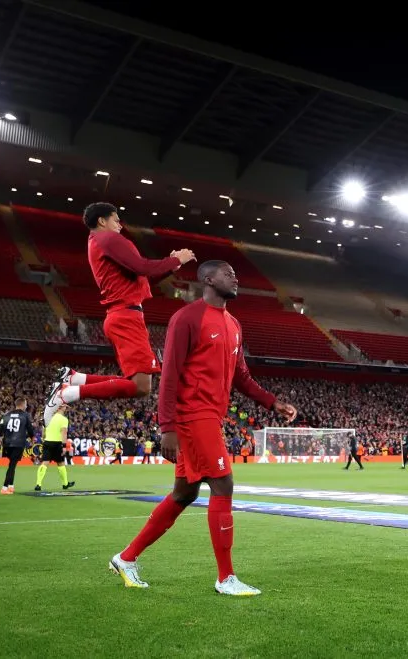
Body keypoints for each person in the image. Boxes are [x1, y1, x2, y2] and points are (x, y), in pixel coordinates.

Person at [108, 260, 297, 595]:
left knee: (185, 493)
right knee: (223, 483)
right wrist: (167, 426)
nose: (234, 277)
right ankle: (226, 578)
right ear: (208, 279)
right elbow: (168, 376)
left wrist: (272, 402)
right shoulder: (187, 318)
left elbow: (241, 377)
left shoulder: (234, 325)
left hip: (212, 415)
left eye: (235, 274)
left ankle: (126, 557)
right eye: (228, 273)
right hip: (193, 414)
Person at [42, 202, 196, 426]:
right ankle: (66, 393)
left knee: (135, 383)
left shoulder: (100, 243)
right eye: (116, 220)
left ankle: (75, 379)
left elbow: (142, 277)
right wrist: (176, 259)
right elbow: (143, 266)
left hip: (123, 314)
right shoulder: (107, 239)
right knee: (141, 386)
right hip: (126, 316)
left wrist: (171, 267)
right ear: (102, 221)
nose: (120, 226)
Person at [0, 398, 34, 494]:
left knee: (12, 464)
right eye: (26, 404)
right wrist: (32, 438)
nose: (26, 406)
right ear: (22, 405)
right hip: (18, 443)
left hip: (7, 444)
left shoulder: (6, 415)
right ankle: (4, 488)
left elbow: (0, 427)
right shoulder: (25, 415)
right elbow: (30, 429)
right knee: (12, 465)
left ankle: (11, 486)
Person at [35, 404, 75, 492]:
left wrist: (44, 438)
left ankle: (38, 484)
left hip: (47, 441)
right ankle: (65, 484)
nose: (66, 408)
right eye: (65, 406)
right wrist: (64, 446)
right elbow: (64, 433)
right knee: (60, 463)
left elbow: (43, 432)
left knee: (44, 463)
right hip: (57, 443)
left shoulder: (48, 417)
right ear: (60, 407)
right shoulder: (63, 419)